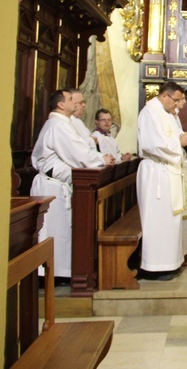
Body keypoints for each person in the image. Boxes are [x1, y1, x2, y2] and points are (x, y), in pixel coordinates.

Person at [31, 90, 114, 279]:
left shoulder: (64, 124)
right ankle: (52, 273)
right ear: (61, 105)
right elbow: (77, 153)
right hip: (53, 186)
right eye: (71, 100)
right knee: (55, 230)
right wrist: (101, 159)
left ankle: (59, 271)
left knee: (61, 231)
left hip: (60, 185)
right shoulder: (58, 125)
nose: (77, 104)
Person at [136, 82, 187, 281]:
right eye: (177, 100)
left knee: (170, 220)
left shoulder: (170, 115)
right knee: (157, 220)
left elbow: (177, 140)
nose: (179, 104)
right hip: (156, 174)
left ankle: (170, 262)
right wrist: (179, 143)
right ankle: (154, 267)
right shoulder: (149, 113)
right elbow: (151, 144)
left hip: (169, 170)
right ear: (165, 96)